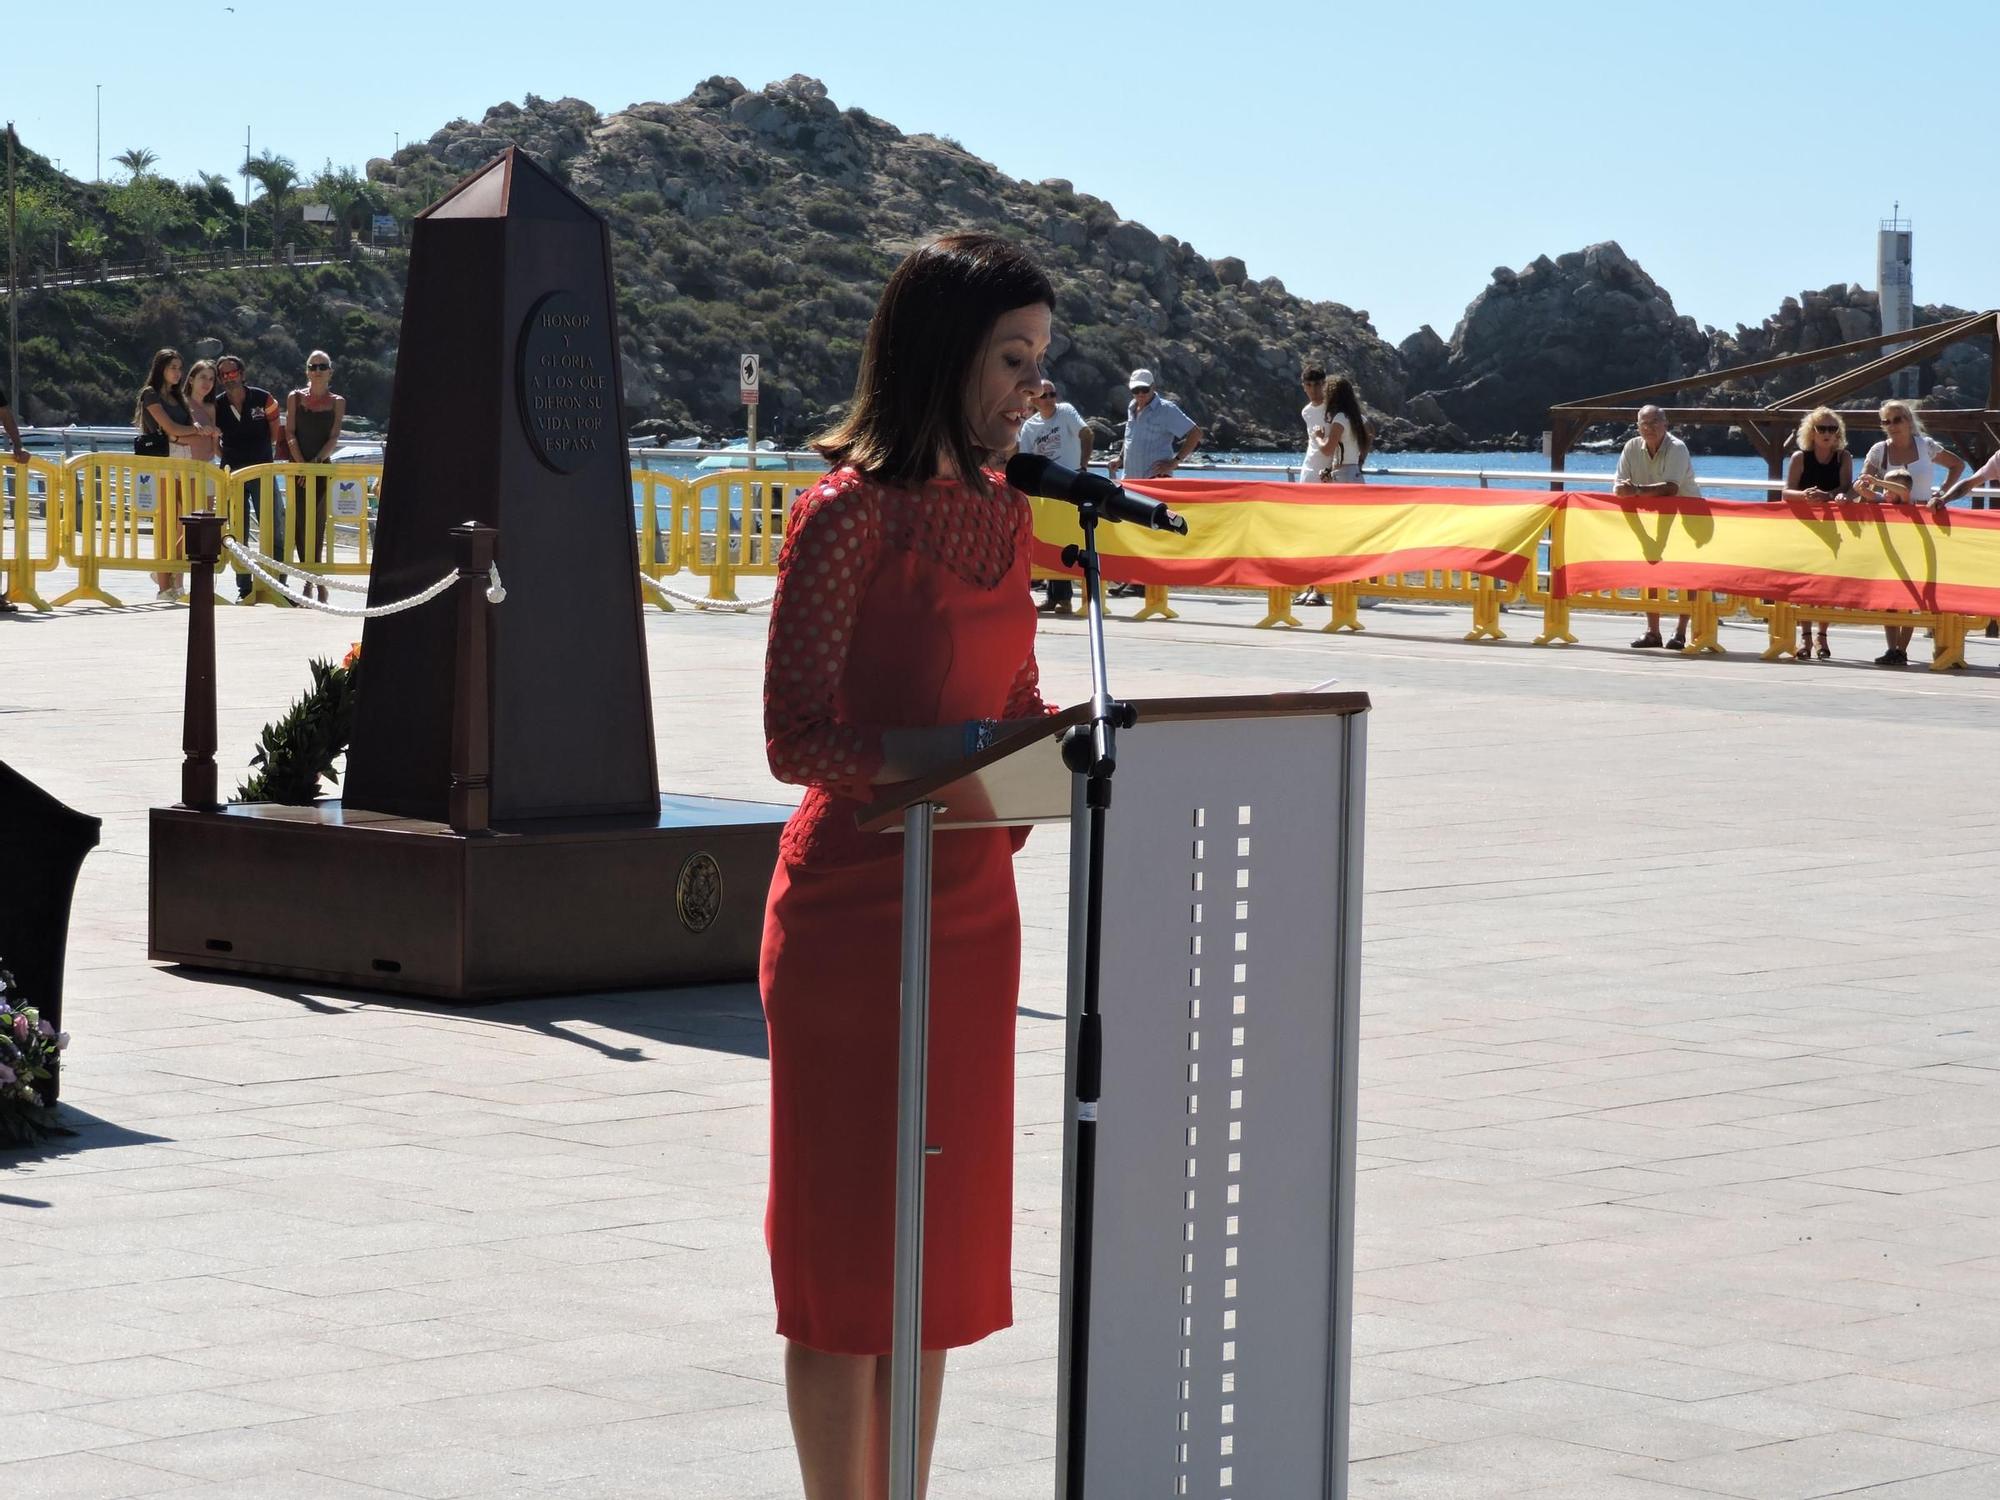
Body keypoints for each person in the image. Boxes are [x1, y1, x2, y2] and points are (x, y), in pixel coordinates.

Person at [758, 231, 1057, 1499]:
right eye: (1010, 358)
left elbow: (1023, 700)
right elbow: (795, 739)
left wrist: (1050, 763)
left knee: (930, 1271)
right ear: (942, 355)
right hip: (853, 917)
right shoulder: (845, 515)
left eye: (1040, 361)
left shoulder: (1008, 510)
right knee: (847, 1270)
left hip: (973, 909)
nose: (1030, 389)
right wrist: (955, 754)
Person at [1855, 400, 1966, 667]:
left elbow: (1957, 465)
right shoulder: (1879, 451)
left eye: (1897, 419)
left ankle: (1902, 649)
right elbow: (1863, 481)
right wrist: (1858, 489)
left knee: (1915, 587)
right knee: (1889, 586)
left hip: (1921, 526)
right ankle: (1892, 648)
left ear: (1908, 420)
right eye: (1886, 421)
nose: (1892, 426)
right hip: (1890, 526)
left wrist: (1942, 493)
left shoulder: (1925, 445)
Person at [1614, 404, 1704, 649]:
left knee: (1686, 574)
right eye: (1645, 423)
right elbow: (1619, 489)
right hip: (1650, 518)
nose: (1650, 428)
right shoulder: (1631, 447)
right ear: (1638, 426)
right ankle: (1652, 631)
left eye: (1655, 422)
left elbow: (1671, 488)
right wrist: (1627, 493)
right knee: (1650, 570)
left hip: (1688, 518)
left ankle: (1681, 631)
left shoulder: (1677, 448)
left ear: (1666, 424)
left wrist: (1636, 491)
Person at [1111, 367, 1200, 594]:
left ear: (1153, 388)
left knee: (1151, 529)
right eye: (1135, 390)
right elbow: (1130, 438)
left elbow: (1195, 433)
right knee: (1133, 530)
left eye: (1144, 390)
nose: (1140, 395)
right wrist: (1120, 458)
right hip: (1132, 479)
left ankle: (1144, 581)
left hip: (1154, 479)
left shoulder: (1166, 410)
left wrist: (1175, 461)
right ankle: (1134, 577)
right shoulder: (1132, 409)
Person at [1779, 406, 1855, 661]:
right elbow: (1787, 493)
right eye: (1821, 428)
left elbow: (1847, 488)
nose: (1826, 433)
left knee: (1828, 584)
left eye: (1832, 429)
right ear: (1811, 431)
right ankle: (1806, 637)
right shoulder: (1800, 458)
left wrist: (1831, 496)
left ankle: (1823, 636)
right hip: (1805, 527)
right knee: (1805, 584)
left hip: (1833, 528)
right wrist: (1806, 496)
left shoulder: (1843, 457)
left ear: (1838, 434)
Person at [1016, 377, 1091, 615]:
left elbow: (1086, 433)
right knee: (1047, 538)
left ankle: (1068, 596)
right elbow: (1025, 457)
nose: (1049, 400)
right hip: (1044, 489)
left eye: (1052, 394)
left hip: (1069, 485)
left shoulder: (1066, 412)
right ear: (1034, 400)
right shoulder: (1030, 426)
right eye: (1044, 396)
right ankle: (1057, 596)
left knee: (1068, 538)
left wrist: (1082, 465)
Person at [212, 355, 284, 599]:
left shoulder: (264, 398)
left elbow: (275, 433)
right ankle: (244, 587)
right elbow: (215, 442)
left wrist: (262, 454)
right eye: (224, 375)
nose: (229, 378)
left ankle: (278, 583)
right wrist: (229, 458)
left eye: (233, 373)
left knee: (273, 526)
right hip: (232, 475)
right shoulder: (217, 405)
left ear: (242, 373)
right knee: (237, 531)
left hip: (262, 469)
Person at [1296, 369, 1370, 602]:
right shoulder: (1309, 412)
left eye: (1321, 384)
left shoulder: (1337, 413)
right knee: (1317, 534)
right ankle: (1316, 587)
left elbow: (1363, 431)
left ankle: (1324, 589)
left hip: (1336, 477)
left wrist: (1356, 460)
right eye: (1310, 384)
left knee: (1331, 535)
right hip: (1320, 474)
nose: (1316, 389)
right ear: (1304, 386)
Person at [136, 350, 204, 602]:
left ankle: (170, 573)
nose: (177, 372)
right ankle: (164, 585)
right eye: (172, 367)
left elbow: (181, 431)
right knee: (166, 524)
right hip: (163, 459)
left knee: (187, 521)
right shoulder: (150, 394)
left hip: (184, 457)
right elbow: (170, 429)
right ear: (160, 368)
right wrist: (194, 432)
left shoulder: (179, 397)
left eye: (179, 367)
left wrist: (187, 434)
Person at [285, 351, 345, 604]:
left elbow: (334, 437)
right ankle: (308, 579)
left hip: (320, 466)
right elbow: (289, 433)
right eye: (313, 366)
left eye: (323, 366)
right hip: (298, 468)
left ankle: (317, 580)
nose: (318, 370)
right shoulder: (295, 397)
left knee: (317, 523)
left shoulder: (337, 401)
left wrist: (315, 465)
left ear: (330, 371)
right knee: (300, 523)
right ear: (307, 371)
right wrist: (302, 467)